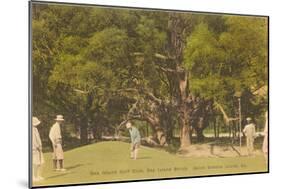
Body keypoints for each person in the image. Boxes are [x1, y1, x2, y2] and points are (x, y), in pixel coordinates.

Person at [32, 117, 44, 182]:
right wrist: (37, 146)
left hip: (38, 148)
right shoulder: (31, 130)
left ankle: (38, 175)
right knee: (35, 163)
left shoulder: (35, 129)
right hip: (34, 149)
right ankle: (33, 176)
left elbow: (38, 139)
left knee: (40, 162)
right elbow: (33, 140)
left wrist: (40, 146)